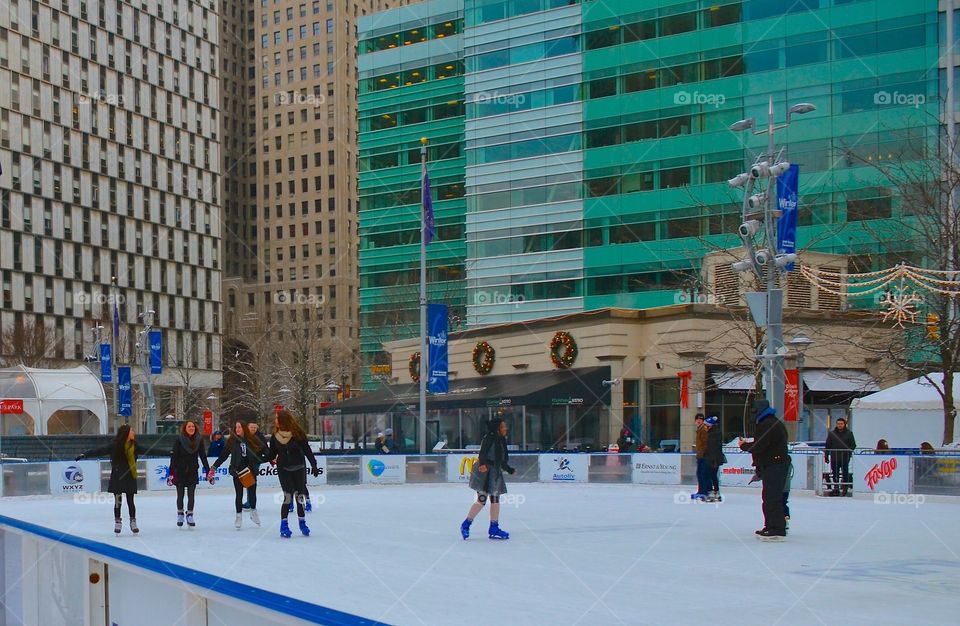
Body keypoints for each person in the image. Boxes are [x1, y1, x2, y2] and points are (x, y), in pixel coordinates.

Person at [76, 424, 146, 535]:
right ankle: (118, 521)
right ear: (126, 433)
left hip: (129, 477)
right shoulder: (115, 446)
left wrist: (169, 453)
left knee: (130, 501)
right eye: (132, 431)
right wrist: (85, 454)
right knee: (118, 502)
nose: (133, 433)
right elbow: (99, 451)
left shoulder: (134, 446)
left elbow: (151, 450)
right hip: (118, 476)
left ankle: (133, 521)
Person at [739, 400, 790, 541]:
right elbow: (763, 443)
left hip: (774, 465)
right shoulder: (772, 422)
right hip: (775, 464)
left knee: (771, 498)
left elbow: (760, 445)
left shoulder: (766, 424)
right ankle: (771, 525)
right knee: (770, 497)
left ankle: (776, 529)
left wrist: (744, 446)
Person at [266, 409, 320, 538]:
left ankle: (302, 523)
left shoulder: (298, 433)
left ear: (283, 420)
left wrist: (314, 465)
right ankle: (284, 525)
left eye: (277, 418)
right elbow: (272, 454)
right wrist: (261, 458)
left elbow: (307, 450)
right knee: (288, 496)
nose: (275, 421)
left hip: (298, 467)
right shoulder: (275, 436)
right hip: (283, 469)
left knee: (299, 496)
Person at [460, 418, 515, 540]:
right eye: (503, 426)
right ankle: (466, 524)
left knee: (495, 499)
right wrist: (482, 465)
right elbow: (482, 454)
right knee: (482, 500)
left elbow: (501, 459)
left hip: (494, 472)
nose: (505, 428)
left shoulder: (501, 440)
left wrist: (508, 469)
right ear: (497, 428)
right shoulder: (489, 438)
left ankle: (493, 527)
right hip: (484, 472)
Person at [208, 421, 268, 529]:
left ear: (244, 428)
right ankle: (239, 516)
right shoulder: (232, 441)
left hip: (250, 471)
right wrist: (214, 467)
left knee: (252, 493)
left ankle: (253, 512)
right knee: (239, 494)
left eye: (240, 427)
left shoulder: (253, 439)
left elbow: (267, 452)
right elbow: (223, 456)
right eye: (236, 427)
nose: (237, 429)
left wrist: (259, 461)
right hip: (237, 471)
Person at [167, 420, 209, 528]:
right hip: (179, 471)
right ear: (185, 428)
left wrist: (208, 470)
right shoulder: (179, 440)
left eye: (193, 427)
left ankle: (190, 514)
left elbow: (203, 456)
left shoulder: (199, 440)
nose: (191, 428)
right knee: (180, 495)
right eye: (189, 426)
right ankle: (180, 513)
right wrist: (171, 472)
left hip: (192, 471)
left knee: (191, 495)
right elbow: (174, 456)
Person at [825, 417, 856, 496]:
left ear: (844, 424)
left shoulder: (849, 433)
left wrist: (848, 452)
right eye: (838, 424)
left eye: (841, 424)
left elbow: (853, 445)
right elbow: (828, 445)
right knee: (835, 473)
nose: (840, 425)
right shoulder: (832, 433)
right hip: (834, 457)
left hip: (845, 458)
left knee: (845, 473)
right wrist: (826, 456)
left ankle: (845, 488)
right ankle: (836, 488)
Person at [242, 421, 270, 510]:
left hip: (255, 461)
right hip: (245, 462)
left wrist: (264, 458)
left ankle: (250, 502)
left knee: (252, 481)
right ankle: (249, 500)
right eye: (252, 427)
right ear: (248, 428)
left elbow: (265, 449)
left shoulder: (260, 437)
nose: (253, 429)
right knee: (247, 481)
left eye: (255, 427)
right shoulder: (244, 436)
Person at [703, 416, 726, 502]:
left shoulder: (712, 435)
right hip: (713, 458)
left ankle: (712, 493)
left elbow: (714, 448)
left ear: (710, 426)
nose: (705, 427)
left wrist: (713, 459)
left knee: (708, 476)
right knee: (712, 476)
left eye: (706, 425)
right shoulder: (713, 434)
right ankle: (716, 492)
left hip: (712, 459)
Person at [692, 413, 709, 500]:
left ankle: (704, 492)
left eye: (701, 419)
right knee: (700, 473)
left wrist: (703, 453)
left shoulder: (703, 430)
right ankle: (701, 491)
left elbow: (705, 443)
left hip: (703, 456)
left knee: (702, 474)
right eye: (697, 419)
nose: (699, 421)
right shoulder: (700, 429)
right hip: (700, 455)